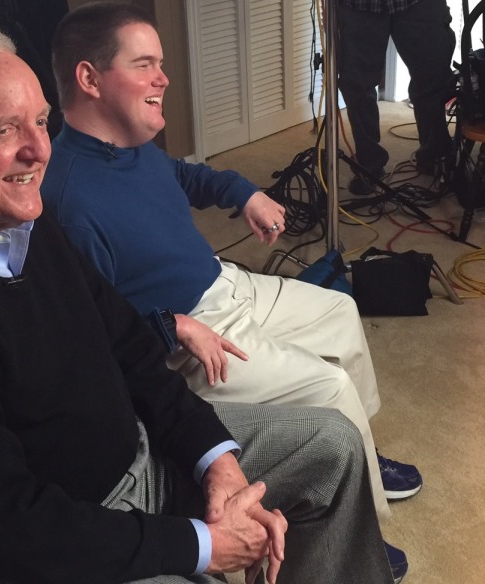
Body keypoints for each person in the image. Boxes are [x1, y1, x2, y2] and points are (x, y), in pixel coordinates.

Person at [0, 20, 396, 584]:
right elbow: (4, 526)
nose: (40, 151)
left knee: (334, 447)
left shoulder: (18, 219)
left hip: (134, 460)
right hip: (40, 548)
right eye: (3, 130)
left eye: (41, 122)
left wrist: (213, 459)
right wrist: (203, 547)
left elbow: (132, 349)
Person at [41, 1, 418, 575]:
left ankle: (363, 455)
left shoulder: (131, 142)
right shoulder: (67, 200)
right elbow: (91, 334)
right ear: (89, 78)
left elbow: (188, 176)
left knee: (340, 310)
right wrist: (170, 326)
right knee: (329, 385)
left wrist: (243, 192)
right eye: (144, 65)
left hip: (228, 283)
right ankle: (353, 536)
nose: (162, 78)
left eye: (160, 63)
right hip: (192, 337)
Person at [337, 0, 456, 195]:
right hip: (358, 5)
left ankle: (435, 156)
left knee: (433, 77)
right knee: (358, 87)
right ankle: (369, 164)